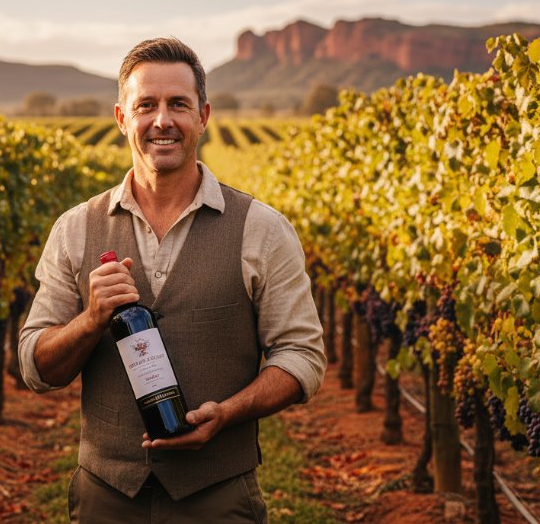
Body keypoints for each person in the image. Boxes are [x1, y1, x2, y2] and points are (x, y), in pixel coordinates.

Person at [18, 37, 326, 524]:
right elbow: (36, 367)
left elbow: (302, 356)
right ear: (122, 119)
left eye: (178, 104)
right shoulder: (75, 229)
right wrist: (91, 319)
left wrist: (229, 413)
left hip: (219, 495)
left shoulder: (262, 229)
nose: (162, 120)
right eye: (146, 106)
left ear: (203, 116)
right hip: (106, 496)